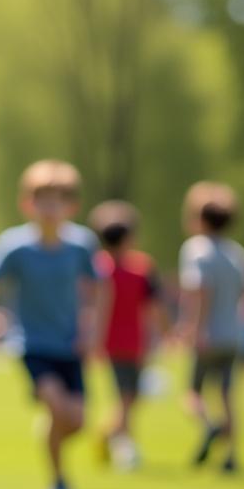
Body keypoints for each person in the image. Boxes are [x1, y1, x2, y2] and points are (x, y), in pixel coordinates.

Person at [0, 160, 97, 489]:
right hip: (33, 343)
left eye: (58, 201)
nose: (50, 209)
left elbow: (97, 288)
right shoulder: (16, 245)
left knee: (76, 421)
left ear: (72, 206)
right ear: (28, 204)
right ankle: (59, 481)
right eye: (43, 201)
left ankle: (50, 435)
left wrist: (91, 328)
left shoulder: (82, 245)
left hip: (70, 344)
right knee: (57, 406)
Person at [176, 182, 244, 472]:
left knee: (192, 393)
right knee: (228, 396)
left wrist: (193, 330)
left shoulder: (196, 250)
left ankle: (210, 427)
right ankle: (231, 455)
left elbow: (200, 293)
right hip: (234, 334)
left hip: (208, 335)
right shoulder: (237, 253)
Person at [88, 200, 163, 469]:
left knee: (129, 397)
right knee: (128, 397)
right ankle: (121, 444)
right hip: (130, 342)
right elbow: (153, 307)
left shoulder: (101, 268)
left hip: (118, 342)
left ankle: (112, 436)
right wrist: (162, 334)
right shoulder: (138, 268)